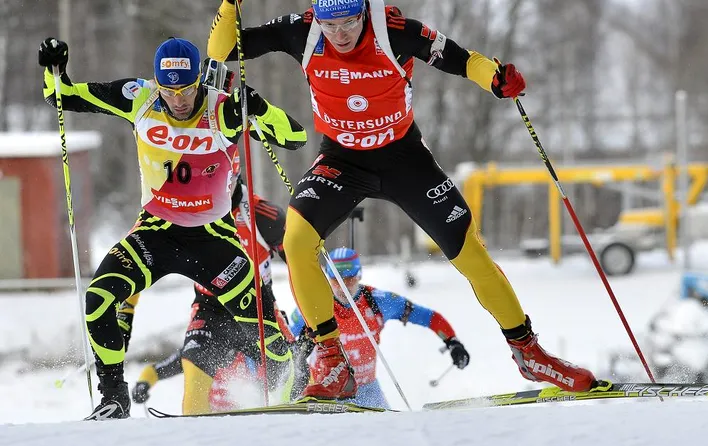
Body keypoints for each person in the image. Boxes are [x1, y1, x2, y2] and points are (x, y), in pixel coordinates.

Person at [208, 0, 597, 400]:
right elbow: (222, 52)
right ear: (316, 18)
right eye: (330, 25)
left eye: (349, 23)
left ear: (364, 12)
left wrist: (495, 79)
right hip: (342, 160)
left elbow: (463, 60)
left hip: (404, 159)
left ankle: (528, 352)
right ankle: (332, 359)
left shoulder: (394, 30)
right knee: (296, 240)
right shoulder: (301, 31)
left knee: (471, 254)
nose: (340, 34)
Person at [38, 36, 308, 419]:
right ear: (156, 82)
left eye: (186, 89)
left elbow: (294, 138)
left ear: (200, 81)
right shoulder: (139, 98)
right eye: (169, 90)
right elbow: (61, 97)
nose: (178, 100)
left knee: (264, 333)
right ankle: (114, 397)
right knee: (98, 298)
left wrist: (258, 106)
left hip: (213, 238)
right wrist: (54, 70)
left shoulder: (223, 109)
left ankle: (285, 393)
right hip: (154, 232)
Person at [120, 176, 310, 414]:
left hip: (257, 303)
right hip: (210, 308)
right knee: (193, 363)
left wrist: (315, 321)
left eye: (219, 178)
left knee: (292, 371)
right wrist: (125, 309)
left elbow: (302, 267)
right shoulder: (180, 210)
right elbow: (135, 256)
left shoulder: (261, 214)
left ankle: (290, 428)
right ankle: (196, 431)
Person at [288, 247, 470, 409]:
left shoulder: (378, 301)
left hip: (368, 390)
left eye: (349, 278)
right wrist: (296, 354)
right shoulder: (314, 305)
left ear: (359, 275)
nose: (343, 286)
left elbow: (428, 317)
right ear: (328, 277)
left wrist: (452, 341)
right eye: (337, 280)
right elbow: (286, 339)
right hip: (327, 390)